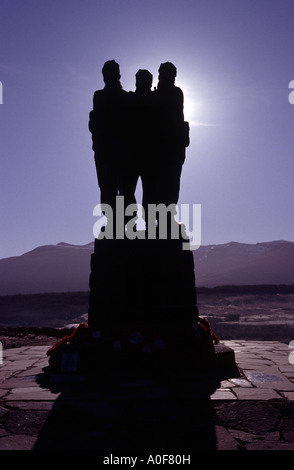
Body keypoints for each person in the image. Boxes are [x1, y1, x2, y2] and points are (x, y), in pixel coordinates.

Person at [89, 60, 129, 230]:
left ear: (118, 75)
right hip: (104, 150)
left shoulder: (127, 97)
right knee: (107, 187)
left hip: (122, 149)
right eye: (106, 74)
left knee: (125, 188)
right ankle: (113, 221)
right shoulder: (98, 96)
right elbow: (95, 123)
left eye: (111, 73)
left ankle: (126, 223)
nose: (108, 77)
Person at [155, 62, 189, 208]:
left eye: (173, 75)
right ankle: (161, 219)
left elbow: (179, 117)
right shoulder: (155, 96)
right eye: (169, 74)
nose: (172, 78)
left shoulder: (177, 92)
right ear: (161, 75)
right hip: (160, 147)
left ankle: (167, 218)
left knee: (172, 186)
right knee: (159, 186)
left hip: (175, 147)